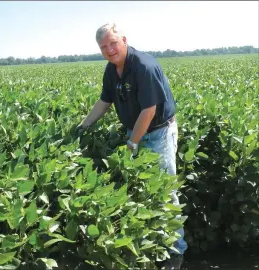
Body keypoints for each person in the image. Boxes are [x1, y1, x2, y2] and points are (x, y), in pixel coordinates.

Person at [76, 23, 187, 269]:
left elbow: (149, 110)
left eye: (113, 43)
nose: (109, 50)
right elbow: (104, 101)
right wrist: (82, 127)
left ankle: (175, 251)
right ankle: (151, 245)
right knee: (141, 186)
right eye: (104, 47)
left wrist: (132, 143)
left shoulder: (144, 66)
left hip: (158, 133)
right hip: (135, 131)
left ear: (124, 40)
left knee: (165, 190)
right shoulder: (111, 70)